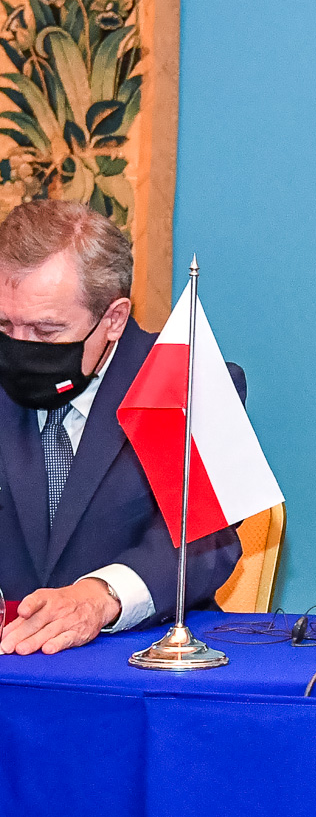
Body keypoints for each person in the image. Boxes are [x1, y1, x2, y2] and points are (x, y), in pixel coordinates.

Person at [0, 200, 244, 655]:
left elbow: (203, 543)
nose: (19, 346)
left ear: (113, 319)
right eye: (5, 325)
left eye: (46, 331)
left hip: (136, 655)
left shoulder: (184, 385)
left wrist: (102, 596)